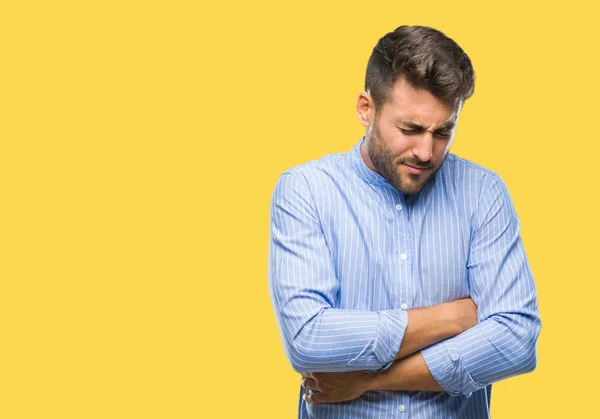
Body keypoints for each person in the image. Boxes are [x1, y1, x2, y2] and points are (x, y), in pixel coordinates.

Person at [268, 25, 541, 418]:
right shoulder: (306, 191)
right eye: (410, 129)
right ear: (367, 108)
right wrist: (449, 318)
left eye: (443, 131)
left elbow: (516, 340)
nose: (427, 152)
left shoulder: (484, 192)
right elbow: (307, 338)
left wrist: (369, 380)